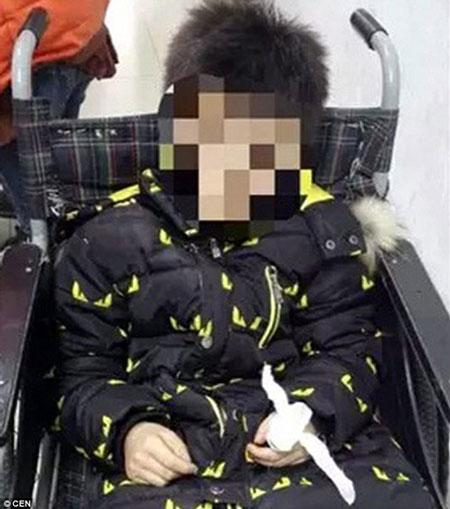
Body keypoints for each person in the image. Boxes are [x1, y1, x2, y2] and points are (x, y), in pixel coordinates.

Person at [54, 1, 435, 508]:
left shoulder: (324, 234)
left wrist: (310, 416)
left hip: (306, 458)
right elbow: (80, 372)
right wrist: (128, 430)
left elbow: (348, 349)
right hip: (163, 461)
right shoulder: (108, 238)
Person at [0, 0, 117, 236]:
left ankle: (42, 239)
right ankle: (65, 223)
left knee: (31, 180)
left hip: (28, 54)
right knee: (58, 161)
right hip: (74, 36)